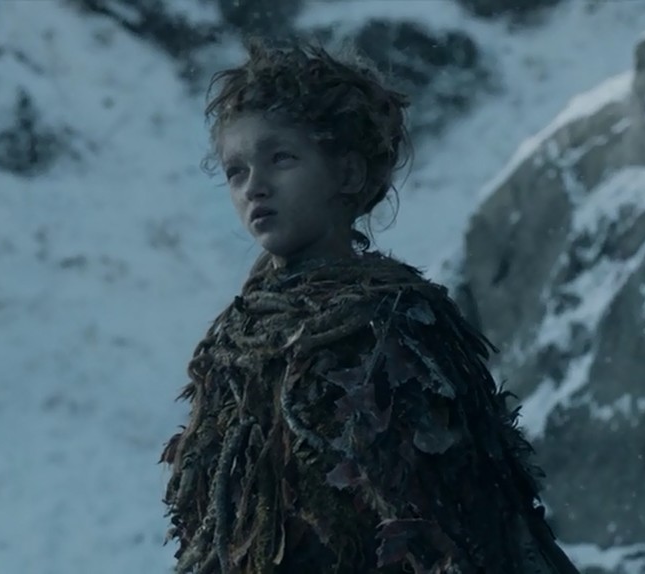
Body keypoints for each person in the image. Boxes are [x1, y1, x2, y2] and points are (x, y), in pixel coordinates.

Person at [159, 38, 581, 574]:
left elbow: (464, 519)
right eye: (236, 171)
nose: (255, 187)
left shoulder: (397, 322)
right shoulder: (231, 344)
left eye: (281, 158)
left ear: (348, 174)